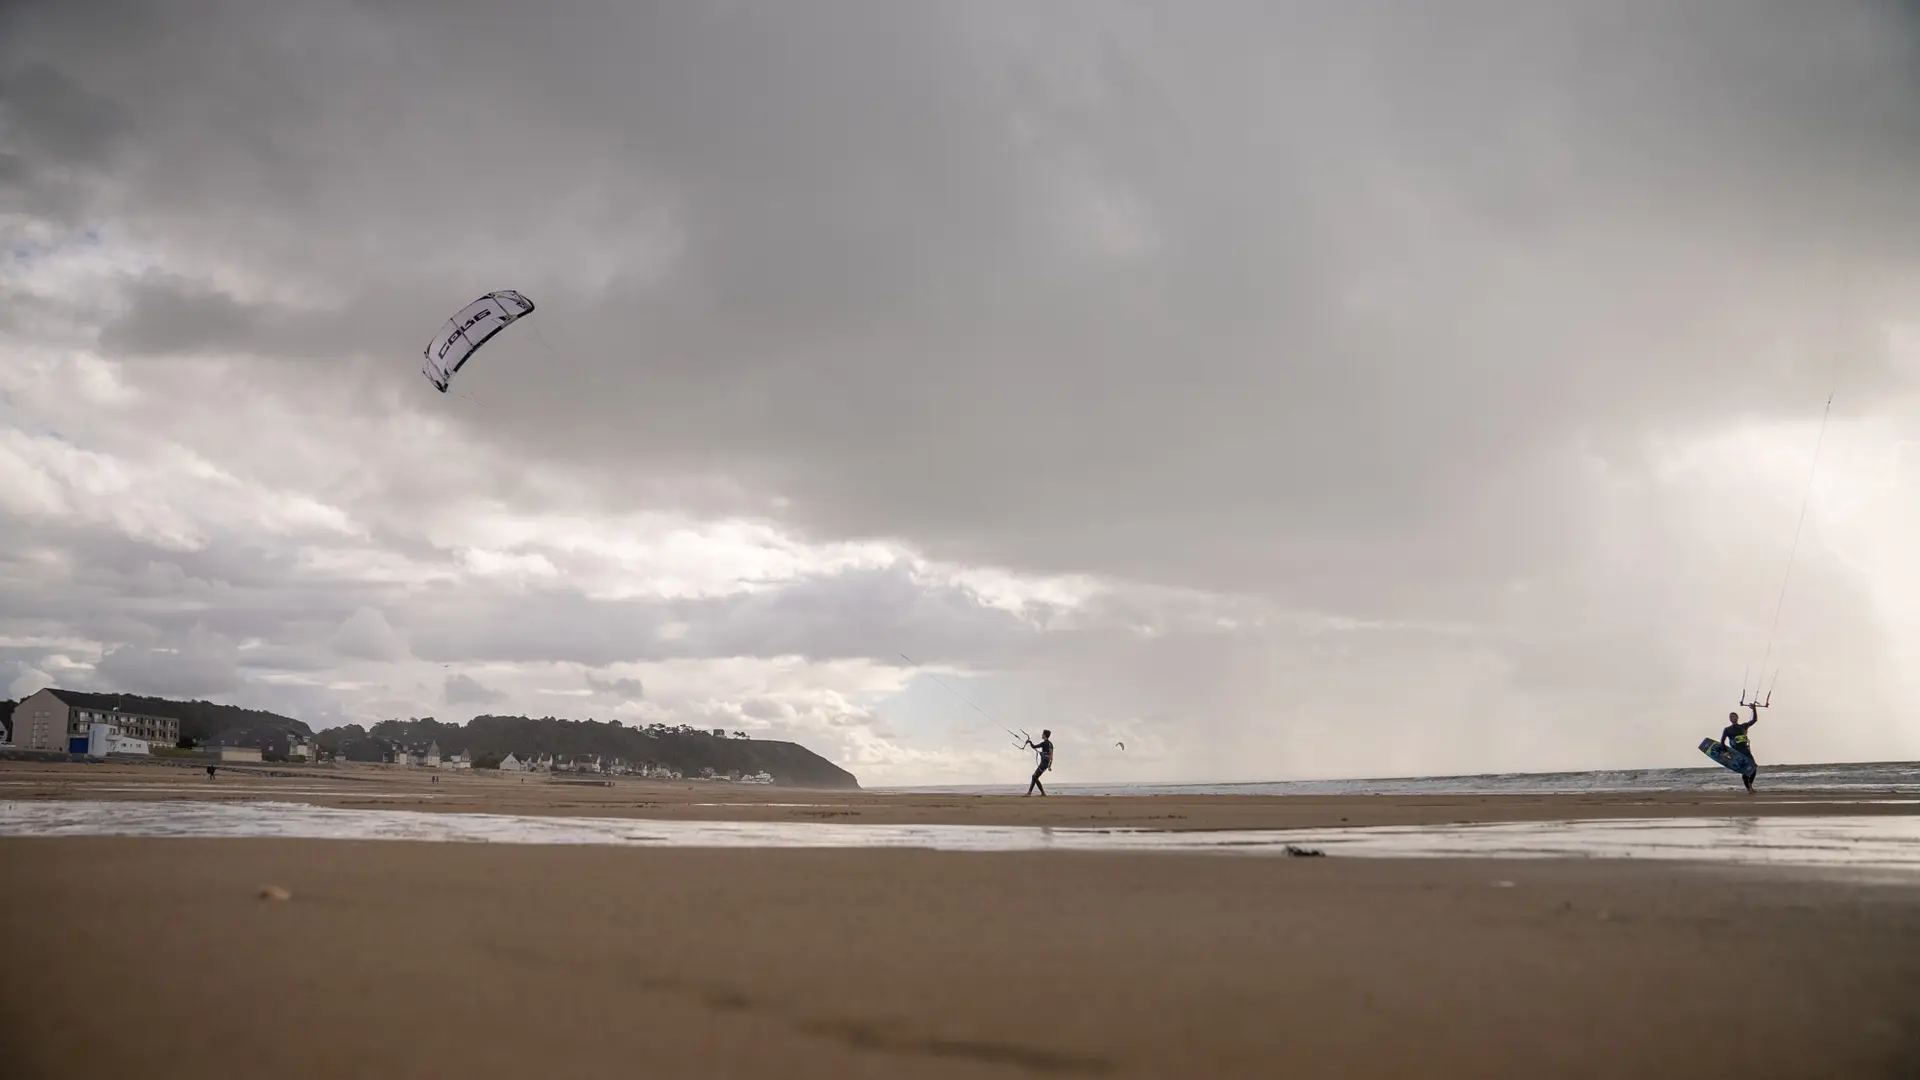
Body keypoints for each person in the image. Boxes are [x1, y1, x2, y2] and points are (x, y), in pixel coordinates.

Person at [1723, 700, 1764, 792]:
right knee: (1744, 770)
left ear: (1737, 717)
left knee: (1754, 768)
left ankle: (1750, 785)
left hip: (1746, 750)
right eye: (1730, 717)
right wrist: (1726, 752)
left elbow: (1754, 720)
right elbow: (1722, 742)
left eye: (1733, 716)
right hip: (1736, 753)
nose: (1732, 718)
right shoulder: (1727, 730)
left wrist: (1754, 709)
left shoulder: (1743, 726)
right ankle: (1749, 788)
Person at [1024, 729, 1054, 797]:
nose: (1042, 735)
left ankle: (1030, 793)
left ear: (1044, 735)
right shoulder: (1050, 744)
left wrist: (1029, 742)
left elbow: (1033, 746)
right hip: (1046, 764)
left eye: (1042, 734)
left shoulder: (1044, 743)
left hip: (1044, 763)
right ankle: (1042, 793)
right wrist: (1049, 765)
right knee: (1035, 777)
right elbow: (1051, 755)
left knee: (1034, 776)